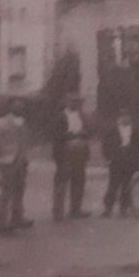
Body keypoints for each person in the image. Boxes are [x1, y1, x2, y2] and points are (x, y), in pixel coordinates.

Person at [0, 99, 33, 234]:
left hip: (21, 161)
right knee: (6, 191)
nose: (20, 108)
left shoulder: (23, 122)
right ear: (10, 107)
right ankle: (0, 222)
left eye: (22, 106)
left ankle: (17, 217)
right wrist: (3, 157)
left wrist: (24, 158)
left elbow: (25, 141)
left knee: (20, 190)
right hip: (7, 161)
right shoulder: (1, 122)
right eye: (17, 106)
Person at [50, 92, 91, 221]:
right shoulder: (60, 117)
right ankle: (58, 212)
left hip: (80, 151)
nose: (76, 104)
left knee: (79, 181)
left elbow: (89, 132)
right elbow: (56, 136)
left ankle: (76, 209)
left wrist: (84, 134)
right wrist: (73, 135)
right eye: (73, 101)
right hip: (65, 152)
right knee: (62, 182)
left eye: (78, 102)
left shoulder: (82, 116)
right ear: (67, 102)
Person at [102, 108, 138, 217]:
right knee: (113, 184)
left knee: (127, 185)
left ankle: (124, 209)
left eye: (128, 116)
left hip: (129, 159)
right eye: (123, 116)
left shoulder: (134, 130)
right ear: (119, 118)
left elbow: (138, 145)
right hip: (116, 159)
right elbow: (106, 145)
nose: (126, 118)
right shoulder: (112, 130)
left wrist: (135, 157)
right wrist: (108, 158)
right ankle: (108, 209)